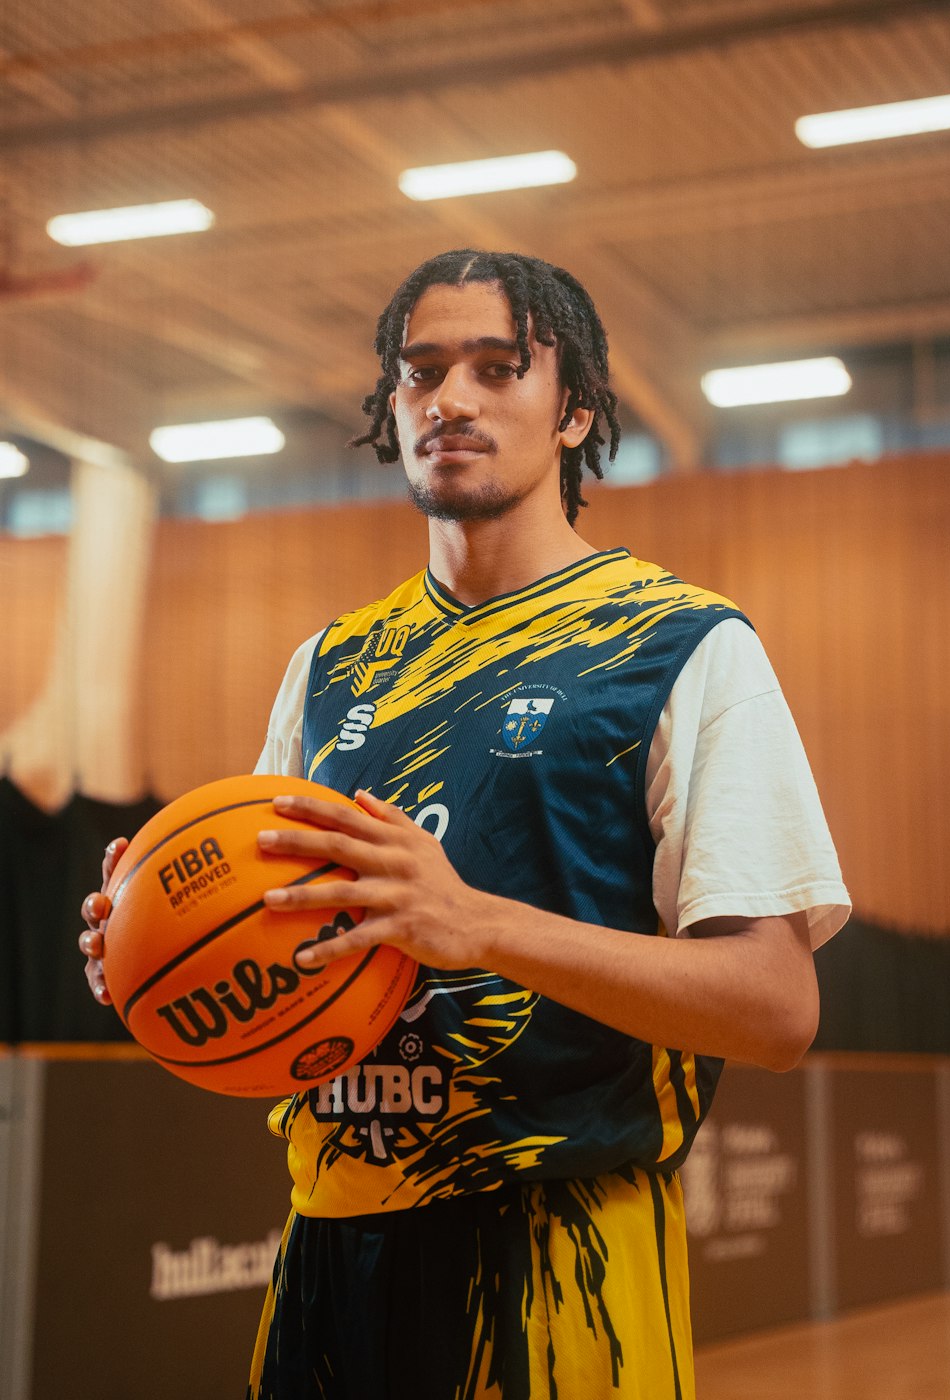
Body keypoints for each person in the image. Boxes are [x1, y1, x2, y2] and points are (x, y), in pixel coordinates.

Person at [81, 249, 850, 1399]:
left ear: (573, 409)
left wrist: (477, 926)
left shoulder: (682, 646)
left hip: (561, 1254)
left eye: (498, 368)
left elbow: (778, 1006)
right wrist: (153, 942)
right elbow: (274, 937)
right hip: (328, 1243)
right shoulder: (330, 665)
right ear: (391, 410)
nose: (451, 398)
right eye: (422, 372)